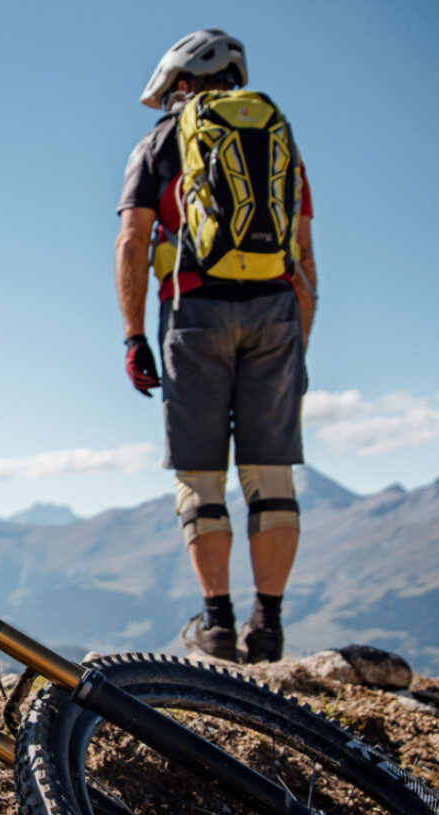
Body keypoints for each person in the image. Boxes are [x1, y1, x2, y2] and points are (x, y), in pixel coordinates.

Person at [115, 28, 318, 663]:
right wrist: (297, 345)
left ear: (180, 84)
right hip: (277, 313)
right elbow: (304, 257)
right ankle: (271, 626)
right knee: (271, 474)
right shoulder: (280, 143)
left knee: (200, 480)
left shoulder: (160, 143)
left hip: (194, 312)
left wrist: (133, 336)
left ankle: (218, 625)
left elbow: (132, 242)